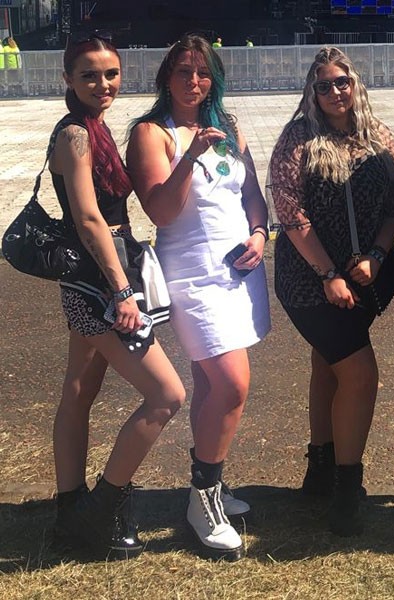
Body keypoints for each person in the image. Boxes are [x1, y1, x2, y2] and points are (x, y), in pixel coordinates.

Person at [127, 33, 271, 561]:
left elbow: (252, 195)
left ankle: (209, 480)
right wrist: (189, 156)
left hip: (239, 271)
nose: (194, 81)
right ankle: (203, 498)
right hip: (192, 274)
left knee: (213, 387)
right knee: (232, 384)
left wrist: (260, 234)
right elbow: (162, 211)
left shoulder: (227, 127)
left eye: (203, 72)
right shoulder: (151, 133)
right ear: (166, 77)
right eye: (184, 71)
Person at [49, 33, 186, 560]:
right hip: (100, 284)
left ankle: (69, 508)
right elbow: (88, 218)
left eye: (110, 74)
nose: (102, 83)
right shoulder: (75, 135)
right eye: (88, 75)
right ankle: (100, 509)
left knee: (79, 390)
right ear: (68, 79)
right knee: (167, 394)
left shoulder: (93, 127)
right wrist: (123, 290)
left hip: (91, 279)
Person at [269, 46, 394, 537]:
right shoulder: (298, 138)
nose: (334, 92)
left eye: (341, 81)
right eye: (323, 85)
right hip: (310, 281)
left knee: (328, 363)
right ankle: (348, 487)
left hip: (367, 275)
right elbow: (291, 213)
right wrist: (329, 274)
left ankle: (321, 467)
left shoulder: (377, 134)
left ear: (355, 84)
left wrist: (379, 255)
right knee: (360, 374)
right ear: (312, 91)